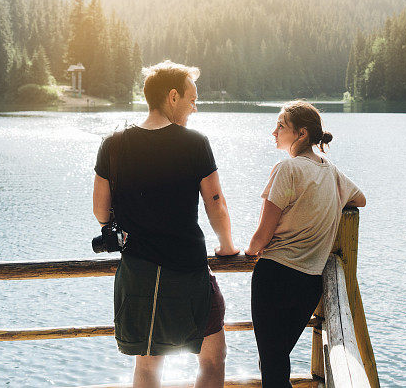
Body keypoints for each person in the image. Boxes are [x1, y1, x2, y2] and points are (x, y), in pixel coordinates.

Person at [93, 60, 240, 388]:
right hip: (187, 271)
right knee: (213, 359)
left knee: (147, 370)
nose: (195, 107)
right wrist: (227, 246)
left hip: (138, 273)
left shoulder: (113, 145)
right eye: (192, 98)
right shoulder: (194, 143)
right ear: (172, 96)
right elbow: (215, 202)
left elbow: (101, 212)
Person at [245, 100, 366, 388]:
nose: (274, 132)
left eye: (280, 126)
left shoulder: (287, 169)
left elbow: (262, 236)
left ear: (301, 134)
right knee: (277, 360)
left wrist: (247, 253)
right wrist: (326, 202)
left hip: (275, 277)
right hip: (309, 282)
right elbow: (360, 199)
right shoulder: (329, 170)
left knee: (272, 364)